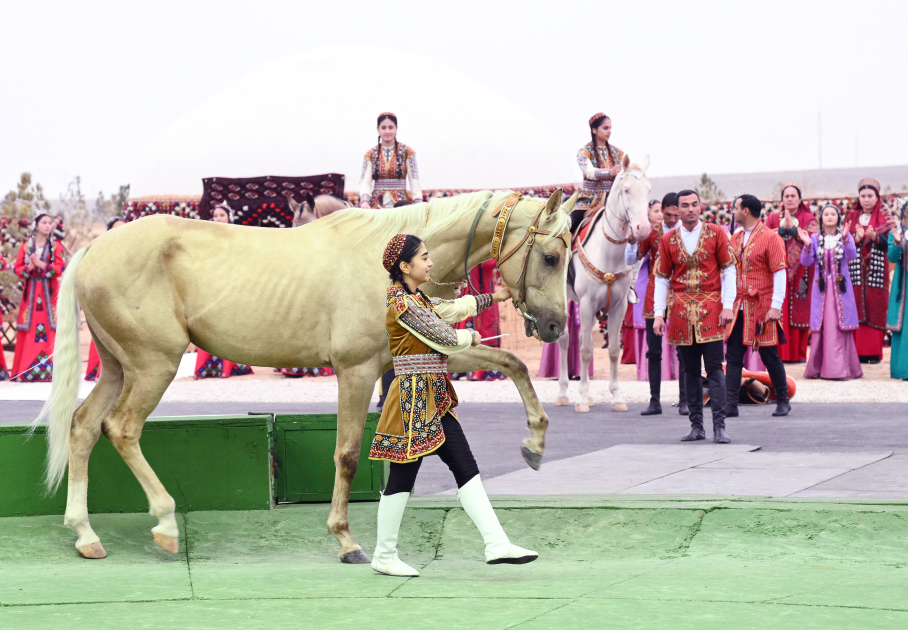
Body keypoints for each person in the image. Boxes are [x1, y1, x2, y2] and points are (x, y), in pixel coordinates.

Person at [369, 234, 537, 577]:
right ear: (405, 267)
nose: (430, 262)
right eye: (424, 257)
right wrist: (469, 337)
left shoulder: (417, 300)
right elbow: (443, 336)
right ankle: (384, 556)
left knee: (465, 466)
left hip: (432, 399)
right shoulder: (404, 306)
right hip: (412, 403)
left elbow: (452, 309)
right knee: (402, 477)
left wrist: (495, 297)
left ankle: (496, 543)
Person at [653, 190, 736, 443]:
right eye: (685, 205)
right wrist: (659, 314)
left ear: (701, 207)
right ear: (677, 210)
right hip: (680, 311)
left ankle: (719, 426)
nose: (690, 209)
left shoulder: (716, 233)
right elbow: (662, 279)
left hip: (711, 309)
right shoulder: (668, 239)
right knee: (689, 370)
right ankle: (696, 426)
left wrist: (728, 305)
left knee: (714, 369)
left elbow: (729, 270)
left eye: (694, 204)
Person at [724, 195, 791, 417]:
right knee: (733, 355)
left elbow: (779, 273)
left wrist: (776, 305)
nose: (733, 212)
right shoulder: (735, 238)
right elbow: (729, 272)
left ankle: (783, 400)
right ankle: (730, 404)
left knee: (769, 355)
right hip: (739, 305)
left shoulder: (771, 238)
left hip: (763, 306)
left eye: (735, 208)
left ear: (745, 211)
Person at [632, 194, 686, 415]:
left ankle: (685, 401)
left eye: (676, 215)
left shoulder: (689, 231)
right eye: (668, 215)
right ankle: (655, 401)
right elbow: (633, 258)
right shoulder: (651, 233)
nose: (672, 220)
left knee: (684, 351)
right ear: (661, 211)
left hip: (681, 296)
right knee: (653, 351)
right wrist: (632, 241)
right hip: (655, 297)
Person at [798, 204, 862, 380]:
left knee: (836, 324)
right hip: (822, 291)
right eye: (826, 214)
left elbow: (852, 255)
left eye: (833, 213)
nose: (829, 216)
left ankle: (838, 369)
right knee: (822, 324)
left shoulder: (844, 236)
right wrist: (806, 245)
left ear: (838, 218)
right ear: (821, 218)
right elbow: (805, 262)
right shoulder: (815, 238)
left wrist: (847, 237)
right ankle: (819, 368)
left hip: (840, 290)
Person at [193, 203, 255, 379]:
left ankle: (229, 367)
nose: (218, 219)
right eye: (216, 215)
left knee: (231, 323)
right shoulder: (208, 237)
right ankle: (209, 367)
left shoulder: (237, 235)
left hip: (232, 284)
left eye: (222, 215)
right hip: (212, 284)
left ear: (229, 217)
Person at [765, 183, 818, 362]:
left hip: (802, 272)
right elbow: (764, 237)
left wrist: (794, 231)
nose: (789, 199)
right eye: (786, 196)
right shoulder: (773, 218)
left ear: (800, 199)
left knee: (800, 312)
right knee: (779, 309)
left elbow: (814, 240)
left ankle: (799, 354)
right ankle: (779, 353)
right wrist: (780, 230)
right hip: (777, 271)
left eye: (793, 196)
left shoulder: (809, 218)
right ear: (782, 199)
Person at [11, 214, 66, 382]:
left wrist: (42, 265)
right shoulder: (25, 247)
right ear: (36, 226)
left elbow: (60, 268)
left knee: (51, 329)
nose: (48, 225)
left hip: (49, 296)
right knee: (30, 329)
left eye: (50, 223)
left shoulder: (56, 246)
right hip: (31, 297)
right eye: (44, 222)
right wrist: (30, 266)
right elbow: (17, 270)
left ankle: (51, 371)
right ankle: (26, 371)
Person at [845, 178, 890, 364]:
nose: (866, 199)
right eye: (863, 196)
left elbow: (892, 244)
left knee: (876, 306)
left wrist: (876, 237)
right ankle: (857, 353)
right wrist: (856, 239)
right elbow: (843, 241)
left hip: (875, 271)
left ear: (877, 197)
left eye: (870, 195)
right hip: (855, 271)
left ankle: (873, 353)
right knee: (855, 305)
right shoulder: (851, 217)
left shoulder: (885, 217)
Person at [85, 216, 126, 381]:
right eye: (117, 228)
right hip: (107, 297)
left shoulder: (130, 251)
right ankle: (101, 372)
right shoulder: (102, 251)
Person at [570, 113, 626, 232]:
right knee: (569, 227)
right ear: (594, 130)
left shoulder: (618, 152)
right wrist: (609, 172)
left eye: (610, 128)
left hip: (614, 199)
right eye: (605, 128)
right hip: (589, 201)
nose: (609, 131)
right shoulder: (584, 152)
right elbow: (589, 172)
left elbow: (627, 169)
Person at [359, 113, 423, 209]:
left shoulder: (407, 152)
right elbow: (365, 180)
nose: (387, 131)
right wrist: (364, 201)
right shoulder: (370, 153)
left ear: (396, 128)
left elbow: (414, 178)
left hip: (401, 204)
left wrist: (418, 201)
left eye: (391, 127)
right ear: (378, 129)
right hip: (376, 204)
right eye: (383, 128)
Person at [885, 198, 908, 379]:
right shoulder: (896, 233)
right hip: (904, 286)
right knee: (904, 326)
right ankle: (903, 369)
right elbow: (892, 258)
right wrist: (898, 243)